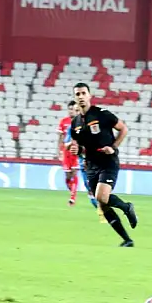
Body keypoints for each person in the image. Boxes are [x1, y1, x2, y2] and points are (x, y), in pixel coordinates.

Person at [68, 82, 138, 246]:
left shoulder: (101, 114)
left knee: (102, 197)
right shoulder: (75, 123)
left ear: (89, 95)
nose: (81, 96)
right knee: (102, 205)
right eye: (77, 94)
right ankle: (127, 240)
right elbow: (81, 148)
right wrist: (76, 150)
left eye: (83, 93)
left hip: (108, 162)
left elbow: (123, 129)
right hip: (91, 166)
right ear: (75, 98)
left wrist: (113, 147)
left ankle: (127, 207)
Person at [58, 101, 83, 206]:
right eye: (70, 109)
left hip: (76, 151)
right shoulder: (64, 122)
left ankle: (73, 197)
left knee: (74, 173)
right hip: (66, 151)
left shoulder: (81, 122)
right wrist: (60, 151)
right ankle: (72, 190)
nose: (72, 111)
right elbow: (61, 138)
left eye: (74, 109)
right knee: (68, 176)